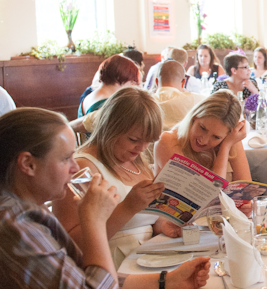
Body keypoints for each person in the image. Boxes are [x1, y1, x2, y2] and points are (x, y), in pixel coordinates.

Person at [0, 108, 210, 289]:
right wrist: (94, 220)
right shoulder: (8, 226)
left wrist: (170, 281)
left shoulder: (12, 209)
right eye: (65, 158)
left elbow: (81, 279)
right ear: (28, 164)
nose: (74, 168)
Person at [53, 88, 180, 268]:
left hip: (149, 261)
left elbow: (144, 218)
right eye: (133, 139)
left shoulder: (138, 163)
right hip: (109, 270)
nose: (142, 148)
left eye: (148, 141)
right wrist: (127, 208)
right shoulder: (82, 168)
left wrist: (161, 224)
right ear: (111, 127)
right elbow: (70, 245)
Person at [154, 90, 251, 181]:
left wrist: (226, 145)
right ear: (194, 117)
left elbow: (246, 192)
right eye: (202, 128)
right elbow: (209, 193)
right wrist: (225, 148)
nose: (204, 140)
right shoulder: (168, 141)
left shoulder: (230, 139)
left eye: (216, 137)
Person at [156, 61, 205, 131]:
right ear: (183, 82)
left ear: (157, 82)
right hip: (182, 141)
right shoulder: (196, 99)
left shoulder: (145, 101)